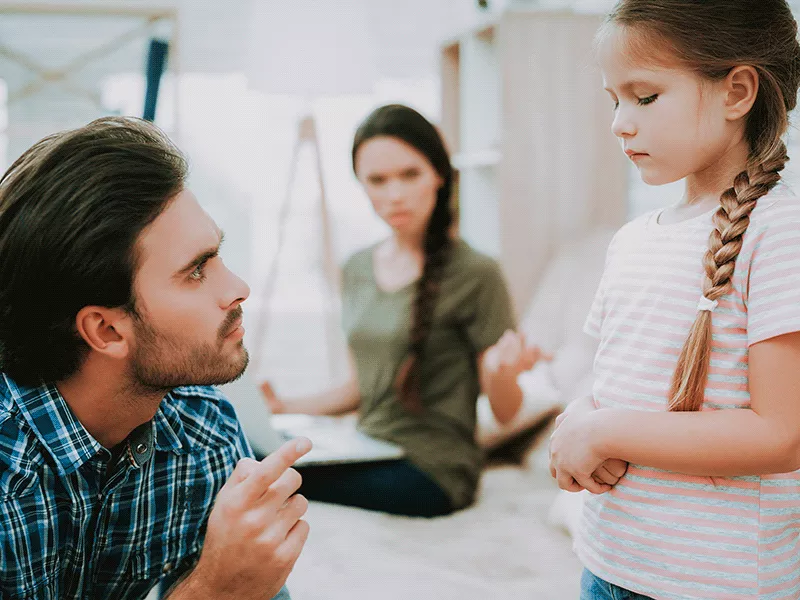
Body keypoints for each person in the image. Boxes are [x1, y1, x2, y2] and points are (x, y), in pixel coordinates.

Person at [547, 1, 800, 599]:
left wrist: (605, 431)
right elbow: (618, 384)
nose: (619, 123)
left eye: (645, 97)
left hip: (714, 584)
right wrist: (578, 420)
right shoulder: (632, 240)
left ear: (737, 92)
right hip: (609, 563)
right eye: (614, 99)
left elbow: (782, 436)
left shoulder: (780, 233)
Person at [0, 117, 311, 600]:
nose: (238, 288)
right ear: (105, 330)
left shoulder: (202, 427)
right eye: (196, 272)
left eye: (218, 256)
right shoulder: (8, 476)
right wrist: (212, 590)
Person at [262, 104, 548, 517]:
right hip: (366, 450)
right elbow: (360, 389)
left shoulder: (476, 273)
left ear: (438, 176)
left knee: (267, 476)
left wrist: (504, 372)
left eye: (409, 175)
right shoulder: (356, 268)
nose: (394, 194)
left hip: (435, 471)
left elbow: (505, 412)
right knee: (249, 452)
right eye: (377, 180)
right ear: (362, 185)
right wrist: (284, 407)